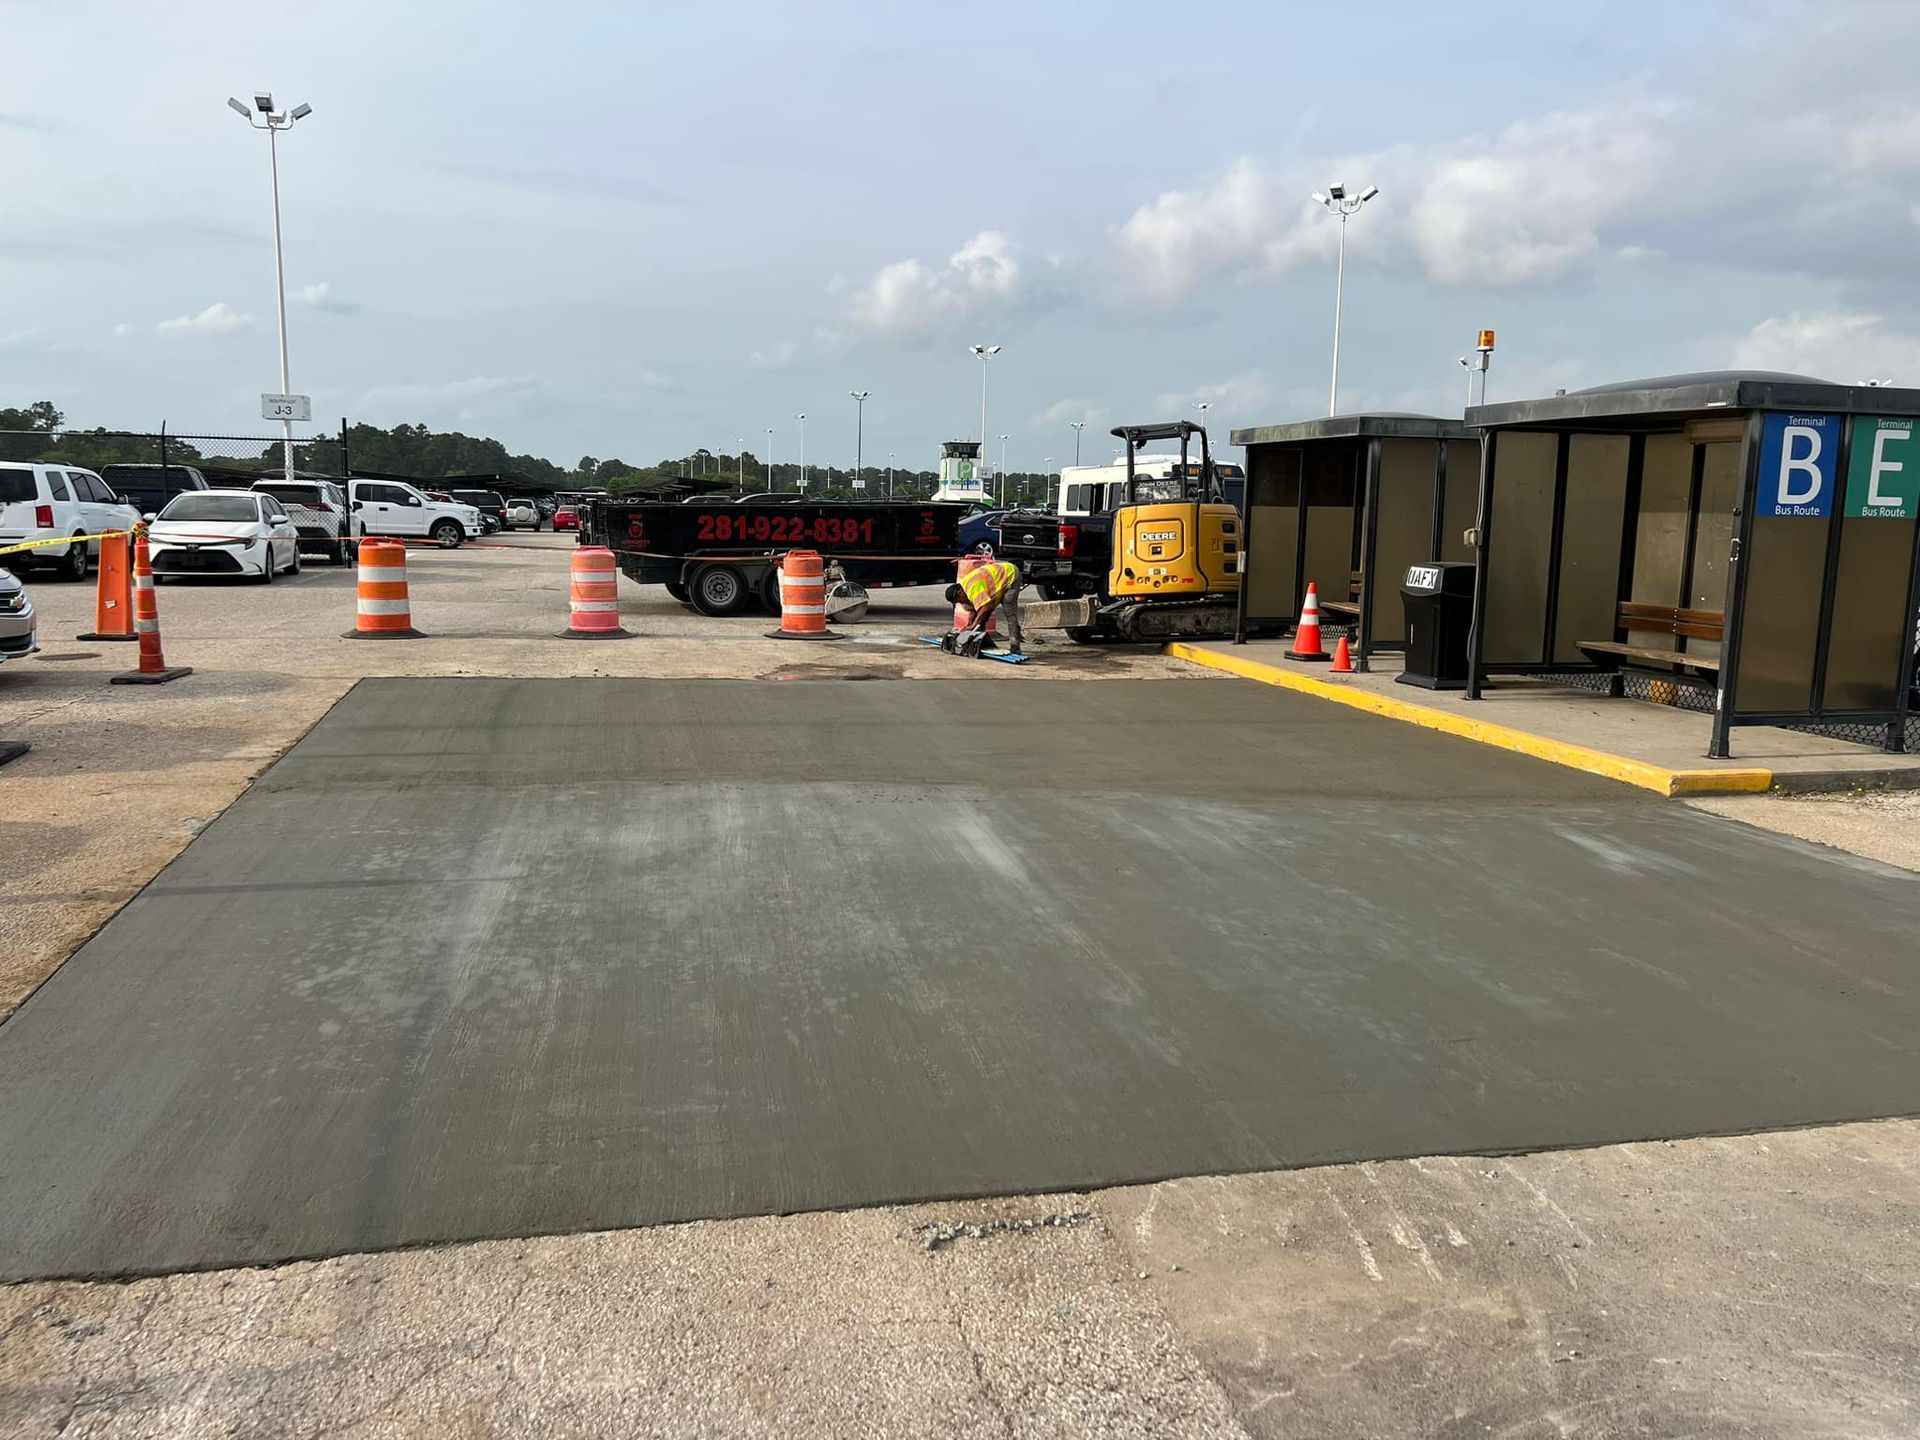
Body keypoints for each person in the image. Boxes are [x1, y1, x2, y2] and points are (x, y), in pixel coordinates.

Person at [944, 559, 1025, 656]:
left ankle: (1015, 647)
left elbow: (985, 607)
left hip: (1010, 575)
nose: (961, 603)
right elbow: (974, 608)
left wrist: (974, 625)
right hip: (997, 582)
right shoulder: (964, 590)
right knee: (982, 616)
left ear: (960, 593)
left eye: (959, 600)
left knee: (1009, 611)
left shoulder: (973, 588)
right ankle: (979, 641)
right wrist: (970, 624)